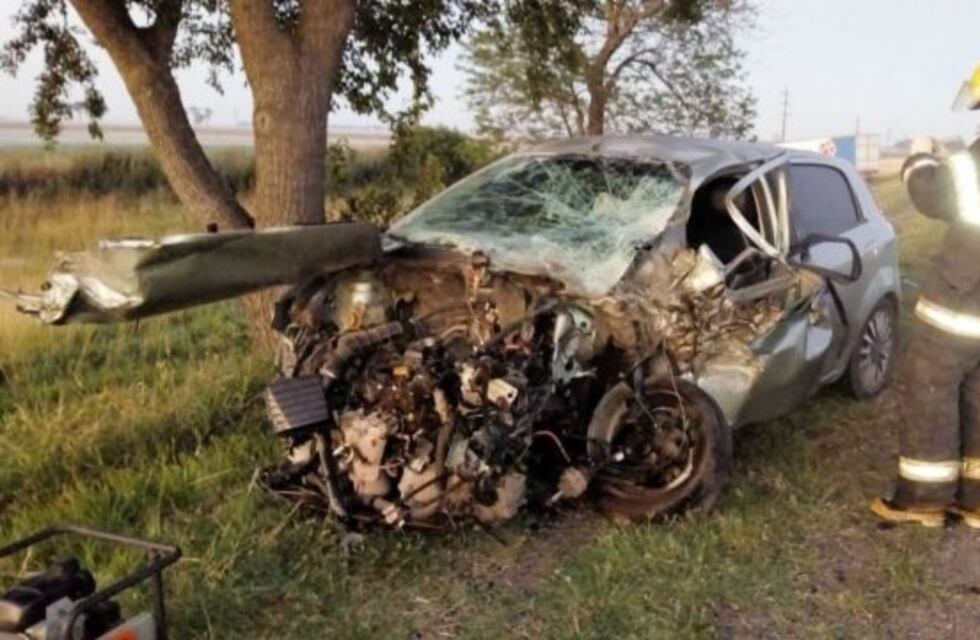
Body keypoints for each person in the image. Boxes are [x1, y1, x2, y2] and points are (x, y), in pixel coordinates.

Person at [871, 65, 980, 527]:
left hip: (964, 298)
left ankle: (922, 500)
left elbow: (933, 196)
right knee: (978, 394)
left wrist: (918, 157)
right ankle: (975, 502)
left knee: (929, 389)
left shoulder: (974, 163)